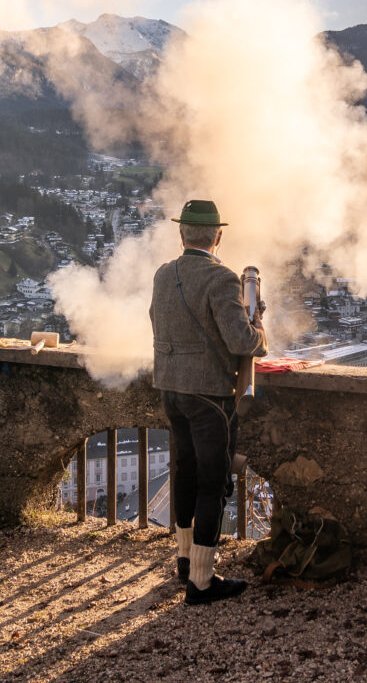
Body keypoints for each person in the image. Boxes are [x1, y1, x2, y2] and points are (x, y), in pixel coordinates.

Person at [150, 199, 266, 605]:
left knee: (184, 473)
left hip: (170, 388)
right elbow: (242, 342)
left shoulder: (164, 274)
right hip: (209, 395)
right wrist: (259, 327)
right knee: (213, 482)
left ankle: (184, 560)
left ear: (182, 234)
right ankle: (201, 581)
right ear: (218, 236)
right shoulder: (222, 279)